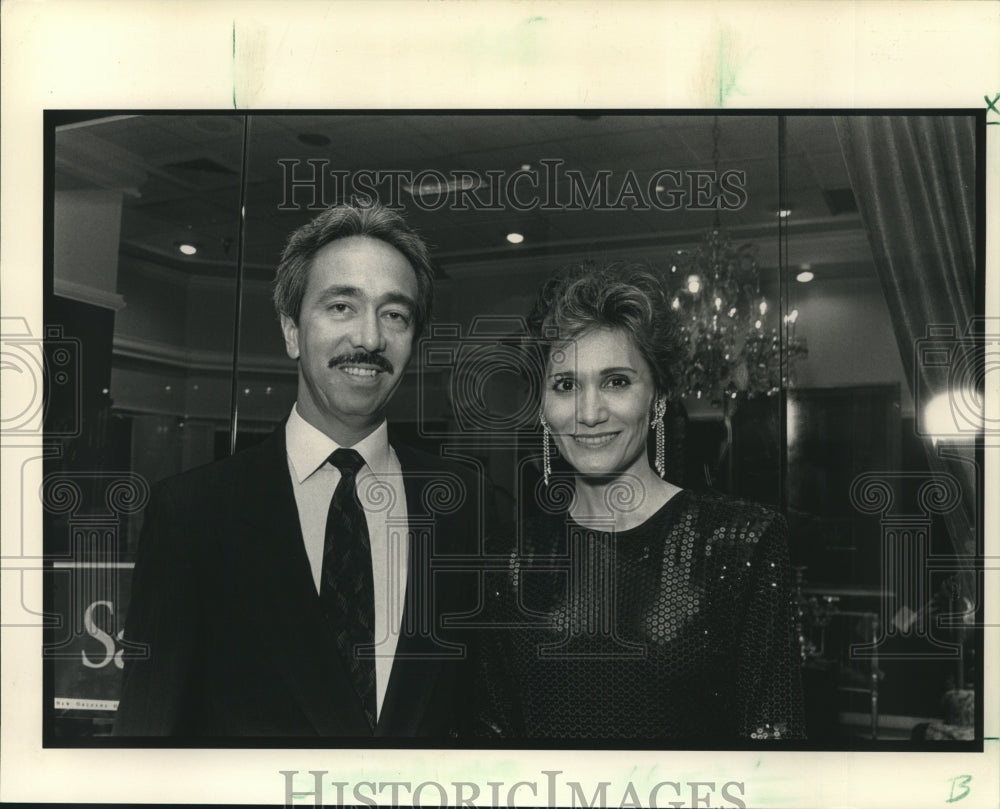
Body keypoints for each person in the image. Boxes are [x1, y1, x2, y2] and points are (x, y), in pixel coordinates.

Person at [114, 201, 485, 738]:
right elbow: (147, 741)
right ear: (290, 331)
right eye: (340, 307)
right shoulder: (194, 514)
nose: (369, 339)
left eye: (395, 314)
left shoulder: (464, 504)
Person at [477, 263, 806, 741]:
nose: (589, 414)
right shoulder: (509, 559)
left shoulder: (739, 543)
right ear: (543, 407)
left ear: (657, 397)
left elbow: (775, 742)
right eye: (566, 385)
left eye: (616, 381)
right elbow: (492, 738)